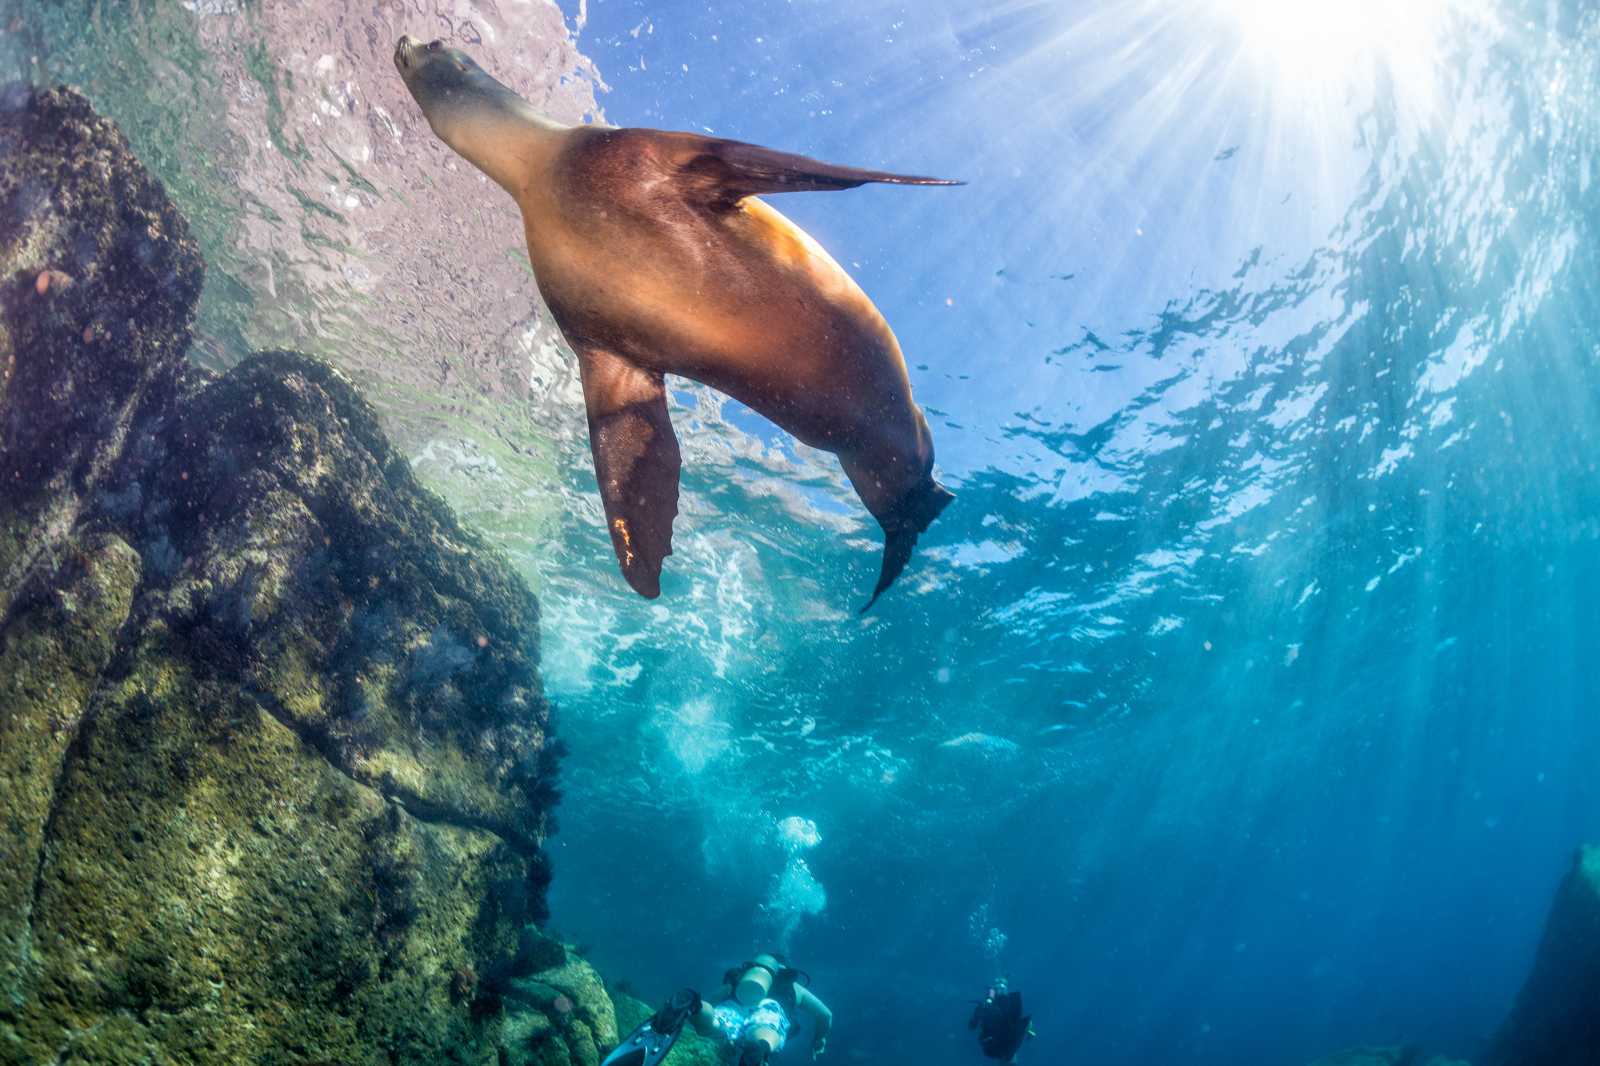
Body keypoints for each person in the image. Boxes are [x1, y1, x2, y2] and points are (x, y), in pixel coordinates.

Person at [602, 952, 831, 1066]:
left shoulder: (740, 978)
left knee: (715, 1025)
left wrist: (699, 1008)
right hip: (771, 1009)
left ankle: (690, 1003)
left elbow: (714, 999)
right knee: (765, 1029)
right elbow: (825, 1014)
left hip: (734, 1005)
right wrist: (819, 1039)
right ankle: (759, 1049)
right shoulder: (792, 987)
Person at [969, 978, 1033, 1063]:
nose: (1001, 990)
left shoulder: (988, 1006)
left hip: (998, 1042)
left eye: (1002, 988)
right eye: (999, 988)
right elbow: (1024, 1021)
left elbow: (972, 1026)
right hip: (1000, 1041)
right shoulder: (1011, 1004)